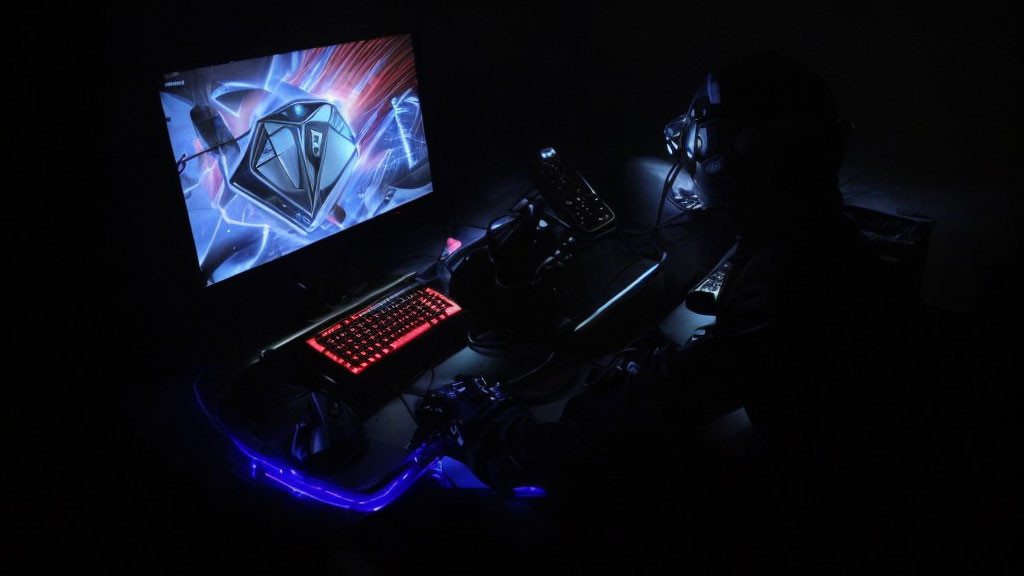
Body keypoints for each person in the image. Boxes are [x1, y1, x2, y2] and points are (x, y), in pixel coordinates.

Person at [417, 52, 902, 568]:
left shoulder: (790, 278)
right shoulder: (820, 235)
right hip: (832, 466)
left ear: (740, 153)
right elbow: (709, 373)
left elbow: (621, 430)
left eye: (705, 139)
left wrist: (499, 432)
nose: (696, 154)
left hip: (812, 502)